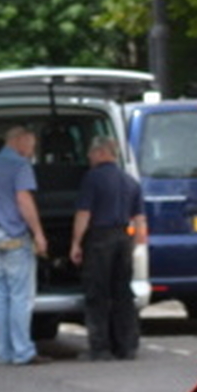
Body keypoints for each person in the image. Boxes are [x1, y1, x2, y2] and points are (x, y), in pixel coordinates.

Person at [0, 125, 48, 365]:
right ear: (19, 141)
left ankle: (3, 352)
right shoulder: (20, 166)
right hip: (14, 236)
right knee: (20, 296)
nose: (32, 151)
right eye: (31, 145)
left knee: (0, 296)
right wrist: (38, 233)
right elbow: (23, 200)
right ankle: (22, 351)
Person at [70, 136, 147, 361]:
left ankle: (100, 348)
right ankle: (127, 347)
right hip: (123, 239)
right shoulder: (130, 181)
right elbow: (140, 219)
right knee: (123, 293)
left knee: (97, 294)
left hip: (99, 239)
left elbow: (84, 214)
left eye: (91, 153)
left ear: (102, 153)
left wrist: (76, 242)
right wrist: (137, 244)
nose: (89, 157)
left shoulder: (92, 179)